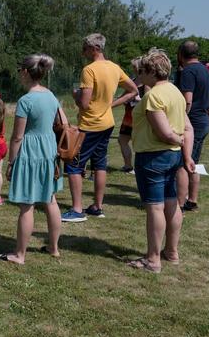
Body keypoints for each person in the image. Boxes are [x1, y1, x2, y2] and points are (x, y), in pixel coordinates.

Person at [127, 49, 194, 273]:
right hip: (172, 156)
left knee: (155, 207)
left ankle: (153, 259)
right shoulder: (175, 92)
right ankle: (171, 252)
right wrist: (185, 152)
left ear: (150, 72)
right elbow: (187, 127)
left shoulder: (153, 96)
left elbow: (164, 133)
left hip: (153, 156)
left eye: (141, 71)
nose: (139, 75)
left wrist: (177, 139)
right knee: (172, 203)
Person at [61, 34, 138, 222]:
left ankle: (77, 210)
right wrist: (112, 104)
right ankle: (97, 206)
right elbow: (133, 90)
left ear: (94, 48)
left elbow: (84, 104)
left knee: (73, 165)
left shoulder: (89, 70)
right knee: (99, 164)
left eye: (85, 48)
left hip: (90, 125)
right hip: (107, 124)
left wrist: (76, 95)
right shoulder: (114, 67)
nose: (83, 52)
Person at [0, 54, 62, 264]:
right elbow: (59, 122)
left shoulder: (25, 101)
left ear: (25, 72)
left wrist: (11, 163)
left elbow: (17, 137)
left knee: (27, 205)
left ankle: (20, 255)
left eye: (20, 70)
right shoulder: (51, 95)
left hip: (30, 153)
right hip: (49, 151)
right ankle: (53, 248)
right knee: (50, 199)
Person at [175, 41, 209, 212]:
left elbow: (187, 100)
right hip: (203, 119)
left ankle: (180, 204)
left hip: (193, 121)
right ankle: (192, 200)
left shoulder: (188, 71)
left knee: (184, 163)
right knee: (193, 162)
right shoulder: (205, 69)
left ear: (181, 54)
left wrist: (181, 118)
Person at [117, 58, 145, 174]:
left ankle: (139, 167)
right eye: (133, 67)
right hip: (128, 115)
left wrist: (137, 99)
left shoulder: (146, 82)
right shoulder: (132, 80)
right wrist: (123, 100)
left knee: (139, 143)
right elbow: (124, 96)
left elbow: (149, 99)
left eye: (135, 67)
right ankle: (128, 166)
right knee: (122, 140)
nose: (133, 69)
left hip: (139, 116)